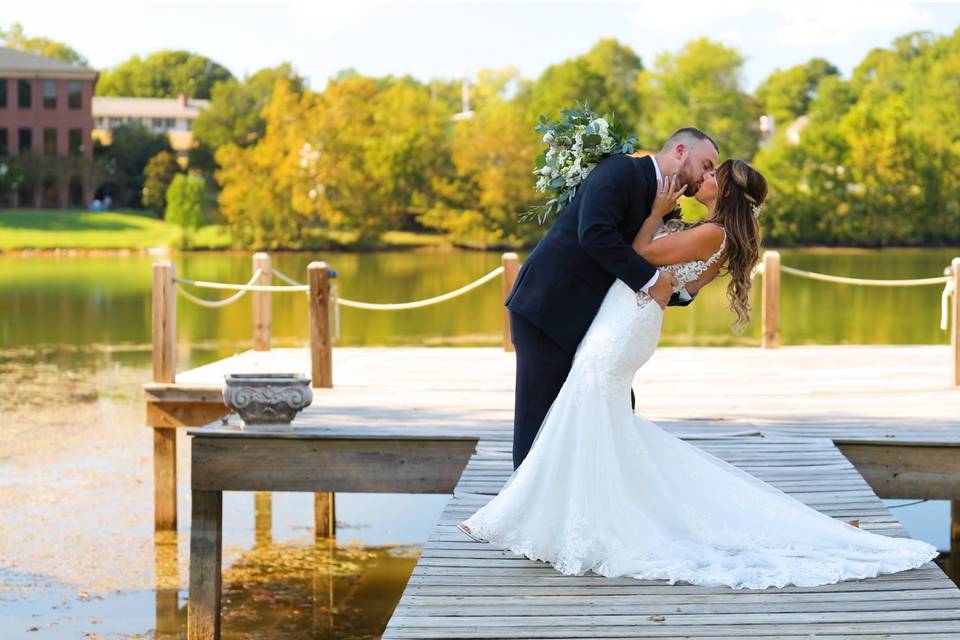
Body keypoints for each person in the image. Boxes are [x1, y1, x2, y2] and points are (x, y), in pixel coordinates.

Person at [458, 159, 939, 589]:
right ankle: (552, 513)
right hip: (628, 317)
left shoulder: (714, 235)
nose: (704, 179)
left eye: (713, 176)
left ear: (725, 192)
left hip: (627, 324)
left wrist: (654, 213)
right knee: (595, 412)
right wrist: (666, 221)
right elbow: (685, 291)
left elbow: (642, 253)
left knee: (588, 401)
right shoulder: (714, 232)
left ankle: (535, 514)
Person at [506, 128, 720, 469]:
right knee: (538, 421)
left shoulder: (665, 208)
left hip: (596, 327)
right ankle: (517, 514)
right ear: (680, 151)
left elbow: (650, 265)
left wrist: (685, 288)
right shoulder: (620, 171)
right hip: (548, 306)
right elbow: (594, 234)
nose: (707, 176)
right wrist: (652, 281)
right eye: (706, 165)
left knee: (613, 413)